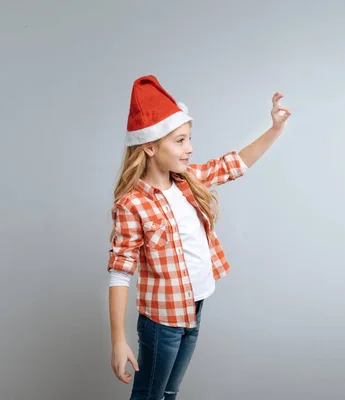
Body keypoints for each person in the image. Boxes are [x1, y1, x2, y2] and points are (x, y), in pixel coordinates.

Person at [107, 75, 291, 400]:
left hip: (194, 308)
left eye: (189, 138)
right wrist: (118, 340)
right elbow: (120, 271)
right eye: (180, 141)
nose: (190, 148)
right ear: (150, 146)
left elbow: (233, 164)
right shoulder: (133, 203)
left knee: (169, 392)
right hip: (162, 322)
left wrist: (275, 128)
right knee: (150, 395)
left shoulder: (187, 180)